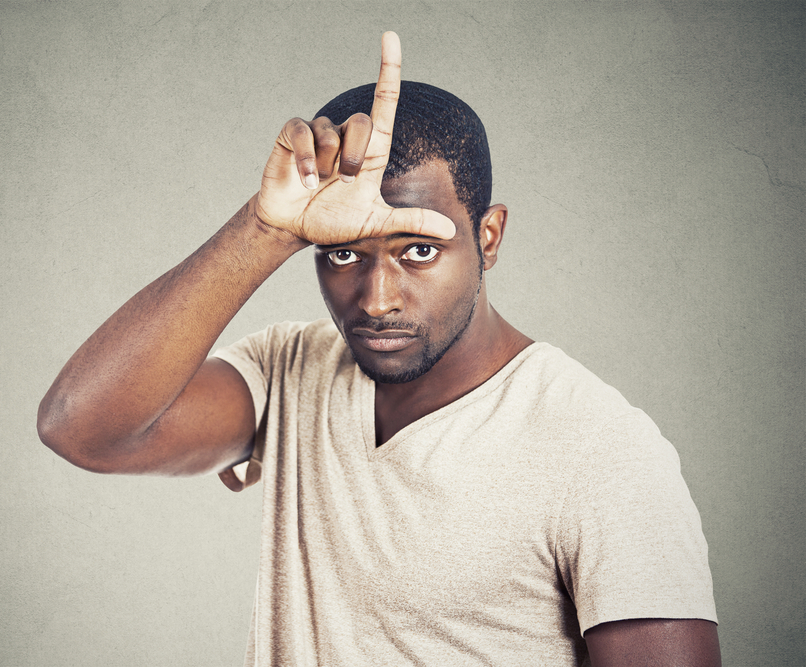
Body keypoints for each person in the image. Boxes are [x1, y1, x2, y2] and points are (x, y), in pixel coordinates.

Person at [38, 32, 720, 666]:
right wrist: (266, 228)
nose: (376, 298)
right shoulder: (289, 371)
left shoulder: (601, 448)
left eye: (419, 250)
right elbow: (81, 425)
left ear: (488, 237)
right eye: (341, 254)